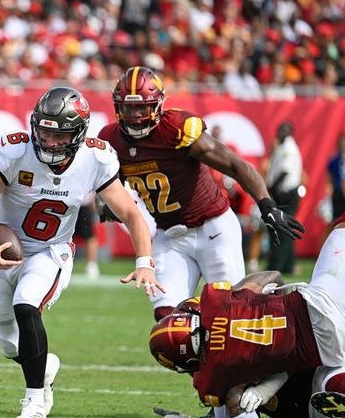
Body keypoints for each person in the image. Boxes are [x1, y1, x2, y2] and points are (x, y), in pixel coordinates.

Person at [150, 122, 345, 417]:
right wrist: (265, 295)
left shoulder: (213, 379)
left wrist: (251, 391)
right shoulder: (216, 300)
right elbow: (270, 277)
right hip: (321, 306)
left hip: (343, 344)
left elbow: (235, 401)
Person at [0, 86, 162, 418]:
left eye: (59, 135)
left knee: (27, 306)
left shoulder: (95, 158)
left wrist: (144, 262)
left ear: (78, 134)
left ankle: (34, 400)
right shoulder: (15, 151)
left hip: (51, 251)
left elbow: (130, 214)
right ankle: (46, 368)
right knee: (11, 345)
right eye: (44, 131)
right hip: (6, 251)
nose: (49, 141)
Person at [97, 66, 306, 322]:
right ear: (118, 107)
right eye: (129, 108)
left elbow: (235, 165)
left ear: (158, 105)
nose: (136, 116)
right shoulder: (111, 140)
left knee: (231, 315)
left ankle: (268, 288)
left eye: (143, 107)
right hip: (168, 236)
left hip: (213, 228)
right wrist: (109, 202)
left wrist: (267, 206)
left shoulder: (176, 129)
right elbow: (110, 180)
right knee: (167, 320)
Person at [153, 266, 345, 417]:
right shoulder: (218, 373)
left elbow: (273, 278)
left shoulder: (215, 375)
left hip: (316, 380)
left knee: (236, 398)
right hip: (319, 378)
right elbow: (274, 276)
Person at [264, 121, 303, 275]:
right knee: (285, 227)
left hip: (286, 193)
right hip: (284, 192)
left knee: (281, 227)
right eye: (280, 129)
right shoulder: (282, 147)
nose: (280, 133)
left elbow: (284, 172)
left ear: (290, 132)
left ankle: (278, 264)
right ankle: (287, 264)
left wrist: (272, 188)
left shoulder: (288, 148)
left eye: (284, 130)